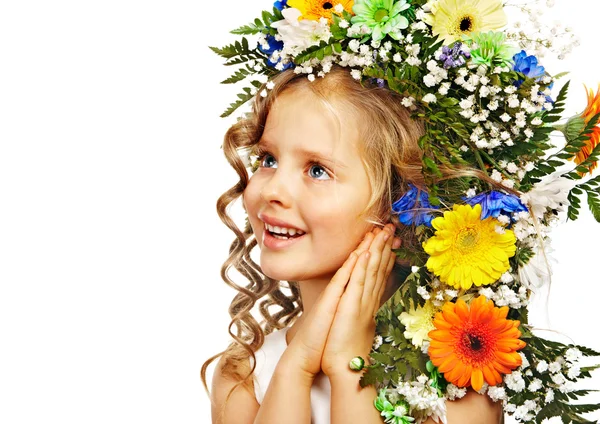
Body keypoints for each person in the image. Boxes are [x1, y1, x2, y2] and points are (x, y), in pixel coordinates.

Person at [202, 1, 600, 423]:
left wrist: (348, 363)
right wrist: (295, 367)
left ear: (405, 202)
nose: (273, 190)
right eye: (267, 159)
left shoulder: (458, 384)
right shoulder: (243, 374)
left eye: (318, 170)